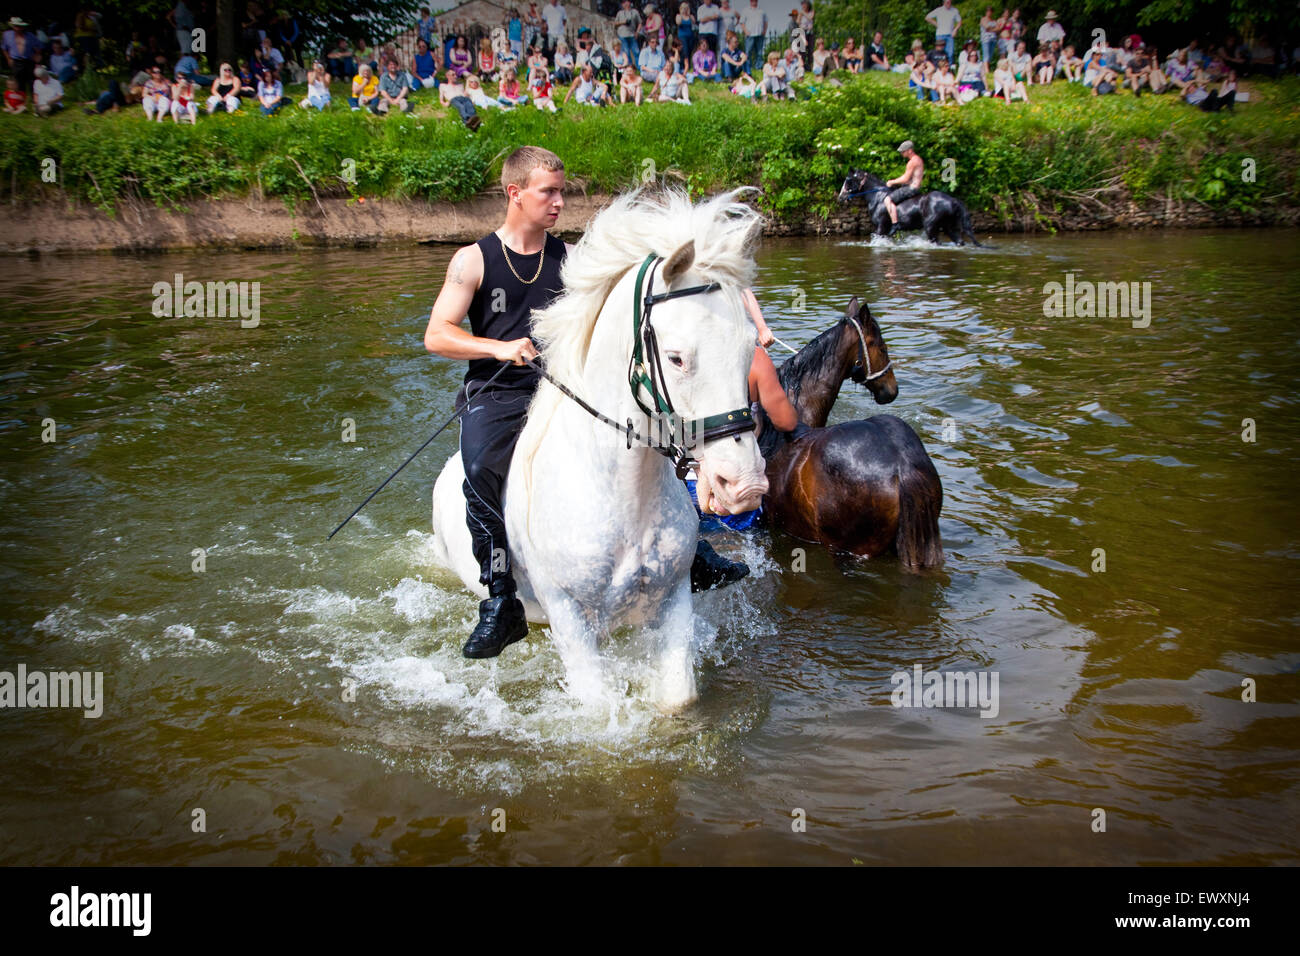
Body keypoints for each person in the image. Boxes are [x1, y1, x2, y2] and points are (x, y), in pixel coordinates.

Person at [422, 147, 575, 657]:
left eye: (561, 191)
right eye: (547, 191)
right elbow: (437, 335)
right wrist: (497, 347)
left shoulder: (569, 260)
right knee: (483, 468)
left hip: (563, 388)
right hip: (499, 391)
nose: (559, 201)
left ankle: (689, 555)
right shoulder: (473, 259)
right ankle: (502, 601)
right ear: (515, 193)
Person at [883, 141, 923, 235]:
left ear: (910, 150)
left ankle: (895, 224)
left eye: (903, 151)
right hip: (915, 187)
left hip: (911, 189)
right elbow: (912, 178)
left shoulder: (912, 162)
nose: (902, 153)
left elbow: (905, 179)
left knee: (887, 199)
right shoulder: (918, 159)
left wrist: (891, 182)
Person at [926, 0, 961, 65]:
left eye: (949, 2)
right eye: (946, 2)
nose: (948, 3)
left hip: (950, 35)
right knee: (939, 53)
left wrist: (955, 30)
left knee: (950, 53)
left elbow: (959, 22)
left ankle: (949, 68)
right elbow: (927, 17)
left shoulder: (954, 11)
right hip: (940, 34)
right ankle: (938, 67)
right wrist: (936, 24)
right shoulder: (939, 10)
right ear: (944, 2)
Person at [739, 0, 766, 76]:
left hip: (759, 34)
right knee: (748, 52)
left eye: (755, 1)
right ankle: (748, 67)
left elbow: (765, 22)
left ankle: (759, 67)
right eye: (752, 1)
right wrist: (745, 31)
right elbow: (742, 22)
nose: (754, 2)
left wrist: (764, 31)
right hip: (750, 35)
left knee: (759, 52)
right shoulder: (746, 10)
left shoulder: (761, 11)